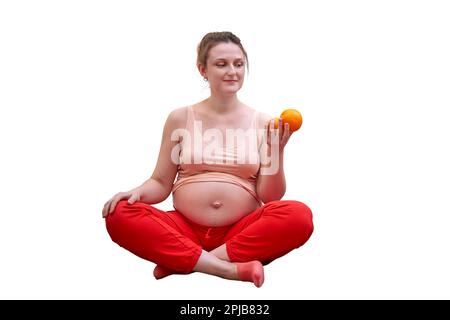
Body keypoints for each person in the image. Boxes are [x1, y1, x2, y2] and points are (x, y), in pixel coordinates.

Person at [102, 31, 313, 288]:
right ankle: (228, 269)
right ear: (203, 69)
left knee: (299, 216)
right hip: (183, 230)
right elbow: (160, 182)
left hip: (239, 231)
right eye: (221, 64)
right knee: (119, 214)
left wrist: (277, 151)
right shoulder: (180, 118)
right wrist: (134, 192)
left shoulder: (264, 124)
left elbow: (270, 197)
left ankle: (188, 263)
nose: (232, 71)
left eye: (238, 64)